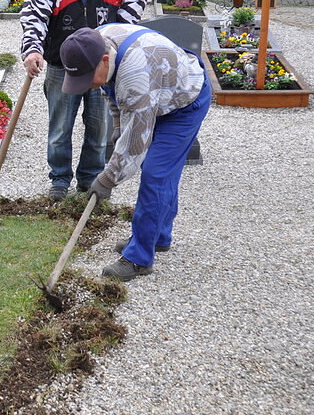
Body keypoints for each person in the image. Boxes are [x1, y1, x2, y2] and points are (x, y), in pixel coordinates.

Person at [59, 24, 211, 281]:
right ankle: (158, 236)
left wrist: (107, 179)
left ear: (105, 60)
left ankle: (139, 258)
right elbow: (110, 91)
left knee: (155, 173)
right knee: (163, 173)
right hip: (157, 90)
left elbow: (134, 146)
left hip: (184, 104)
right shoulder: (95, 42)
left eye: (86, 79)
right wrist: (119, 125)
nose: (85, 86)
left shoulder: (135, 74)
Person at [20, 0, 151, 201]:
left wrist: (121, 26)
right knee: (59, 126)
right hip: (61, 64)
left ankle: (90, 179)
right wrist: (32, 48)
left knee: (99, 125)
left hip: (103, 65)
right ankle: (59, 181)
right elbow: (33, 15)